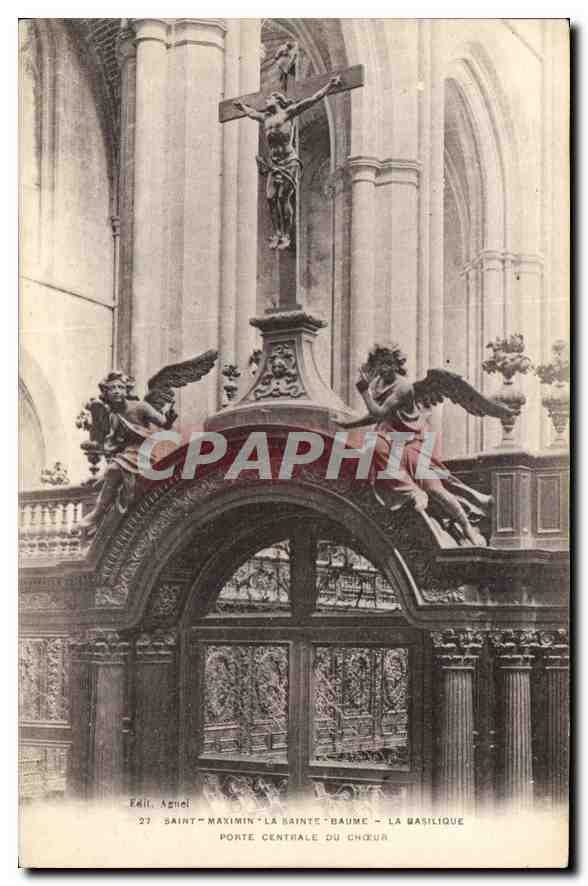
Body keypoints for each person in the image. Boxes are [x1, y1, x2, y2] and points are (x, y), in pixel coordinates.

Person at [337, 345, 490, 546]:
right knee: (375, 446)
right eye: (380, 363)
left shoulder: (403, 387)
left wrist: (364, 392)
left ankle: (467, 527)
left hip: (412, 441)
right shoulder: (379, 384)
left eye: (389, 363)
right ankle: (412, 492)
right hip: (391, 437)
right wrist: (349, 424)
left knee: (435, 489)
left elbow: (379, 413)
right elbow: (377, 416)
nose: (384, 368)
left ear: (397, 364)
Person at [234, 75, 342, 249]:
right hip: (274, 164)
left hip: (289, 161)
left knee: (283, 198)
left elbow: (312, 100)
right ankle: (277, 232)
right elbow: (252, 113)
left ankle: (286, 235)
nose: (266, 100)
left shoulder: (288, 113)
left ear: (277, 101)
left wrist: (329, 86)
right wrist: (242, 107)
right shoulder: (265, 119)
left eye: (269, 98)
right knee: (271, 198)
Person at [78, 371, 176, 534]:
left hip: (144, 451)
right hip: (128, 452)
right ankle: (99, 515)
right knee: (111, 472)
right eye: (112, 388)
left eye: (120, 387)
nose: (116, 391)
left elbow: (164, 424)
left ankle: (95, 515)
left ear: (126, 390)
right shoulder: (113, 415)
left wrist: (169, 418)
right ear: (106, 392)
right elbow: (113, 442)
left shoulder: (140, 407)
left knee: (113, 470)